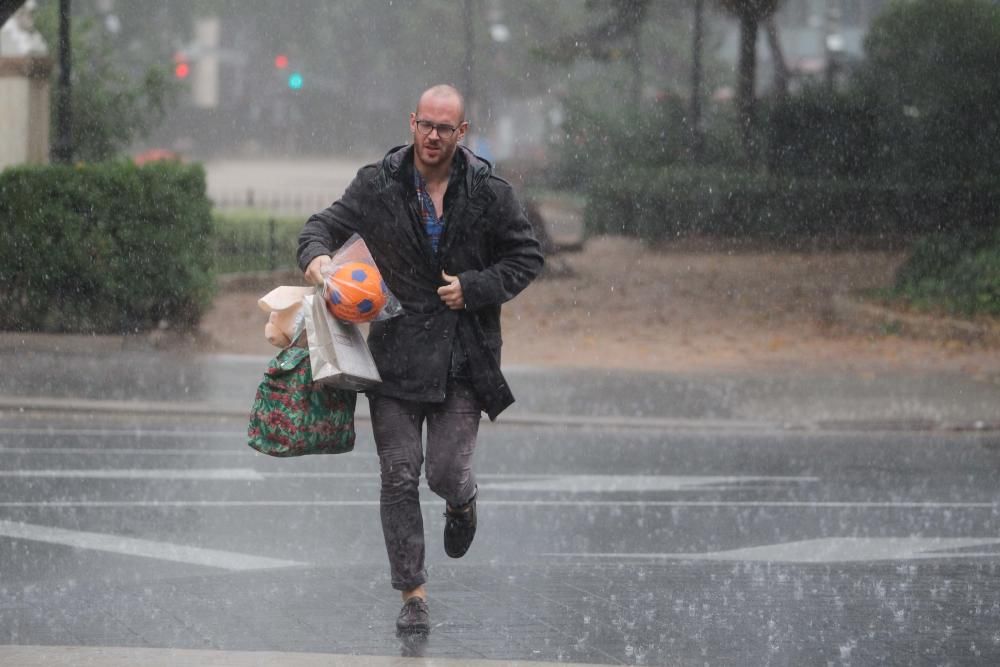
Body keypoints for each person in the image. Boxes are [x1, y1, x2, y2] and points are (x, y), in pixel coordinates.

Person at [297, 84, 544, 634]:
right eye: (425, 125)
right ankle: (413, 594)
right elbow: (322, 227)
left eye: (444, 128)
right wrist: (315, 259)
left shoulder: (487, 192)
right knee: (399, 477)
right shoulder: (377, 184)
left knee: (445, 472)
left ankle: (463, 503)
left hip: (462, 359)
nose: (433, 136)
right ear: (412, 123)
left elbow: (527, 256)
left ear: (462, 133)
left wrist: (476, 287)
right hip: (393, 358)